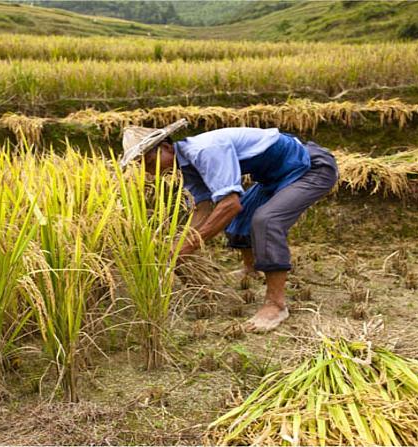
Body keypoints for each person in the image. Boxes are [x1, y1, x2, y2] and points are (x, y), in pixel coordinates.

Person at [120, 119, 338, 332]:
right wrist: (180, 244)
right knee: (239, 220)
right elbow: (203, 208)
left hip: (310, 168)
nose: (149, 172)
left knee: (266, 220)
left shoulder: (205, 150)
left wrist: (189, 245)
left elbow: (230, 204)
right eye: (142, 167)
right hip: (274, 179)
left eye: (149, 163)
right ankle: (251, 269)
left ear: (166, 147)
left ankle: (276, 305)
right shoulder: (187, 167)